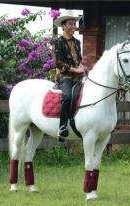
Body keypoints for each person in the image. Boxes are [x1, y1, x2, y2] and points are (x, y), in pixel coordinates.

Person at [52, 10, 86, 141]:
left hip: (79, 76)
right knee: (67, 97)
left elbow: (79, 59)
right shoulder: (57, 41)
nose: (73, 26)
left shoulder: (77, 42)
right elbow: (58, 63)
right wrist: (75, 70)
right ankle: (62, 127)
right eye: (70, 24)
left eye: (74, 23)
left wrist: (82, 68)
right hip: (64, 77)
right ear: (63, 26)